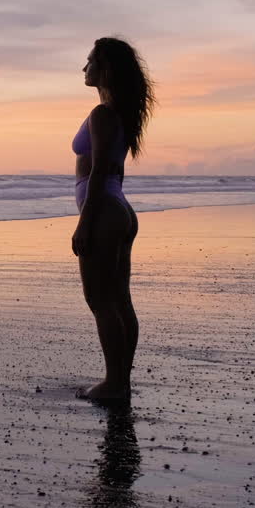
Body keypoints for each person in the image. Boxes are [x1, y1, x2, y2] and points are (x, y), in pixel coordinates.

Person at [71, 37, 155, 401]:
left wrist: (85, 222)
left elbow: (102, 168)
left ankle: (114, 384)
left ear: (105, 68)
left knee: (100, 300)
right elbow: (114, 173)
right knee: (119, 299)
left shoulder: (103, 115)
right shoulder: (116, 112)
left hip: (104, 210)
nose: (84, 68)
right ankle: (120, 381)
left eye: (90, 61)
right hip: (116, 208)